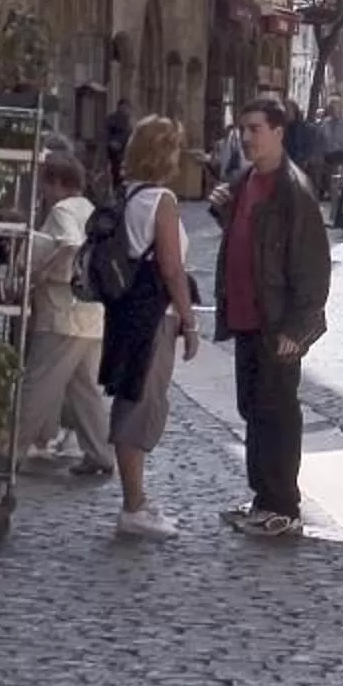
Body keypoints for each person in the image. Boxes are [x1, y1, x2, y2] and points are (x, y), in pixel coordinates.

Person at [207, 96, 332, 537]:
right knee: (253, 409)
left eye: (255, 128)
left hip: (276, 323)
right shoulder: (245, 180)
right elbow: (252, 243)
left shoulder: (293, 191)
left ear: (279, 132)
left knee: (278, 413)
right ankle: (263, 498)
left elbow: (313, 268)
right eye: (243, 128)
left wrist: (298, 330)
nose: (246, 137)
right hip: (247, 318)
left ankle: (284, 506)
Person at [94, 123, 202, 536]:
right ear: (164, 155)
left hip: (125, 311)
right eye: (175, 150)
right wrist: (189, 322)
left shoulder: (127, 195)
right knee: (141, 401)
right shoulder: (162, 201)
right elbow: (172, 268)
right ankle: (133, 505)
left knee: (131, 395)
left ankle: (135, 500)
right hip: (152, 313)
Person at [18, 153, 116, 482]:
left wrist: (39, 273)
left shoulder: (62, 211)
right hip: (91, 316)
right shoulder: (89, 208)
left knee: (38, 384)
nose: (43, 191)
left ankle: (10, 450)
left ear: (58, 183)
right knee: (84, 390)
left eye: (46, 183)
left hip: (63, 313)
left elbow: (71, 243)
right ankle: (100, 453)